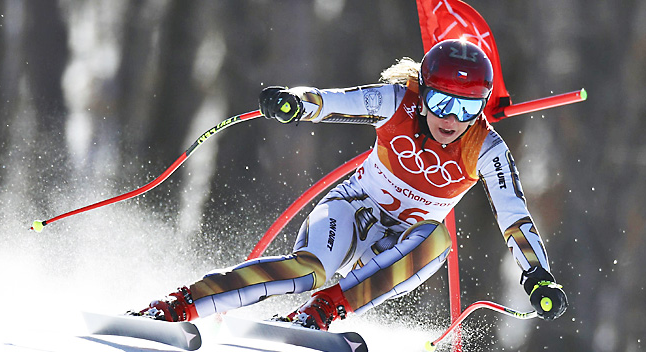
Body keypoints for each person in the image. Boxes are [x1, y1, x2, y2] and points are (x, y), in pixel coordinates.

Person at [134, 39, 567, 330]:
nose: (450, 118)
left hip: (397, 246)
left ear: (482, 106)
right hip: (352, 211)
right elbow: (333, 100)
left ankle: (318, 315)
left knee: (436, 241)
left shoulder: (486, 148)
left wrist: (537, 276)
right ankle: (178, 305)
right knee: (308, 271)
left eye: (466, 106)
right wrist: (294, 104)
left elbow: (515, 218)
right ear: (424, 88)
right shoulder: (398, 101)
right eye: (440, 101)